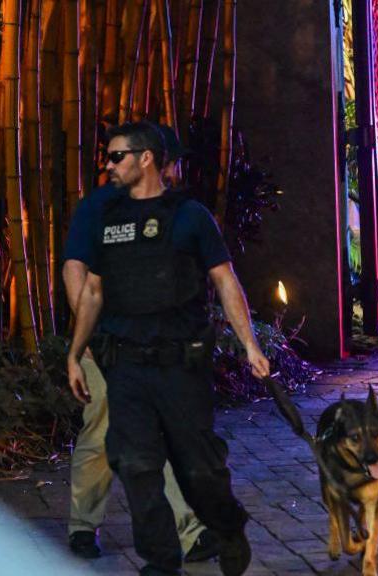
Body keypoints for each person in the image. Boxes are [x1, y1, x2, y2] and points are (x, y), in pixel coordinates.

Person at [67, 121, 270, 576]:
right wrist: (75, 352)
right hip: (127, 366)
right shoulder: (107, 217)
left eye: (116, 156)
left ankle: (227, 524)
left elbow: (225, 281)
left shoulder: (190, 216)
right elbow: (93, 291)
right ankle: (160, 562)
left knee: (198, 471)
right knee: (135, 464)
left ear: (146, 158)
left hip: (180, 366)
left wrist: (250, 346)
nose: (108, 165)